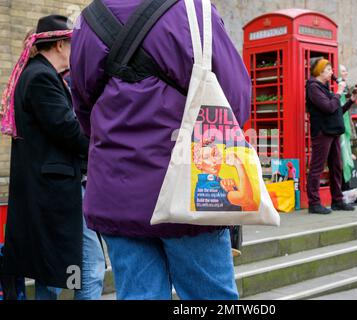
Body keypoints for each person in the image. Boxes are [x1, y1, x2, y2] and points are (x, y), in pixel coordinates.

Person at [70, 0, 250, 300]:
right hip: (192, 189)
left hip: (117, 190)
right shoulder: (194, 10)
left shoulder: (89, 19)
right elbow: (236, 99)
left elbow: (83, 106)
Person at [0, 15, 105, 300]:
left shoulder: (42, 75)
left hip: (54, 192)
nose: (77, 50)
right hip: (58, 193)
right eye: (74, 44)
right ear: (60, 44)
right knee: (88, 267)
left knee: (54, 274)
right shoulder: (40, 78)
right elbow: (68, 130)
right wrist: (106, 144)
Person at [306, 58, 357, 214]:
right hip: (322, 132)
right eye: (329, 69)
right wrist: (338, 92)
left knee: (336, 167)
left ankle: (337, 200)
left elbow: (337, 111)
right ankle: (314, 203)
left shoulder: (324, 88)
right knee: (317, 168)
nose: (332, 72)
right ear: (320, 71)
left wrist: (352, 99)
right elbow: (329, 107)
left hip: (333, 131)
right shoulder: (313, 88)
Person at [338, 65, 355, 191]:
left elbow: (354, 91)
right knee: (341, 160)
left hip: (346, 131)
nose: (346, 73)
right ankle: (342, 189)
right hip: (337, 130)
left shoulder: (345, 89)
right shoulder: (336, 89)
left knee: (346, 159)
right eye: (343, 71)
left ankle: (346, 189)